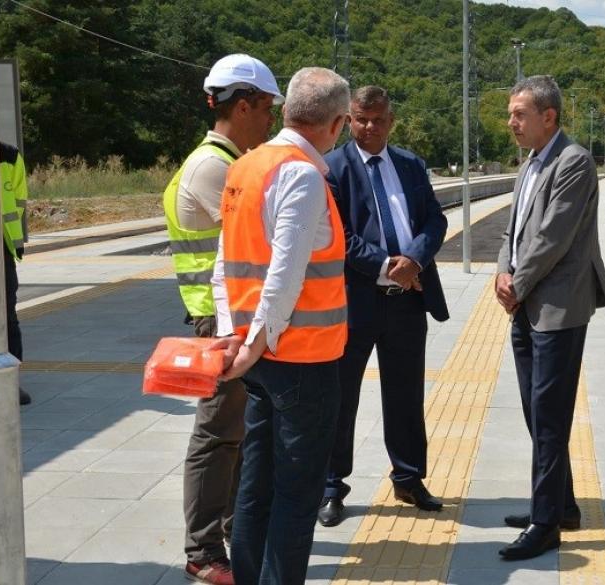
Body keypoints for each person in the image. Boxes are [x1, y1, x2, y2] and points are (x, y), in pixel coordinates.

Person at [210, 66, 350, 585]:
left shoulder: (248, 166)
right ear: (337, 124)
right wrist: (253, 344)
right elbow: (284, 274)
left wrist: (234, 335)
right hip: (303, 361)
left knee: (256, 487)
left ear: (289, 109)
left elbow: (224, 262)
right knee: (296, 494)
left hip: (262, 360)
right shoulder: (301, 173)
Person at [163, 53, 282, 585]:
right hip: (219, 322)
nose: (270, 120)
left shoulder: (227, 159)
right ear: (240, 105)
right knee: (216, 437)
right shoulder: (216, 167)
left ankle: (234, 529)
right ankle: (203, 550)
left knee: (232, 434)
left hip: (227, 317)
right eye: (263, 108)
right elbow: (254, 242)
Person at [494, 75, 605, 561]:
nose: (511, 123)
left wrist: (516, 283)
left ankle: (545, 524)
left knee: (549, 416)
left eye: (519, 114)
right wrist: (503, 271)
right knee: (534, 408)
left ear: (549, 116)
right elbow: (514, 228)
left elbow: (552, 237)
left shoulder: (574, 162)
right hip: (526, 305)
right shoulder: (530, 164)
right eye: (511, 114)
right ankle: (560, 504)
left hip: (558, 309)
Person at [317, 85, 449, 527]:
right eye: (360, 119)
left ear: (391, 120)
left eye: (378, 119)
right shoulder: (332, 168)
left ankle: (409, 478)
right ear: (348, 121)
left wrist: (414, 260)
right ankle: (332, 487)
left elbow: (435, 219)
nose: (369, 127)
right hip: (355, 302)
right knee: (341, 396)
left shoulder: (411, 165)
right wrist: (385, 264)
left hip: (407, 302)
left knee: (406, 395)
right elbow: (337, 233)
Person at [0, 141, 31, 406]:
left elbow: (18, 200)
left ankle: (10, 382)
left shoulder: (9, 155)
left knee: (8, 315)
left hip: (0, 247)